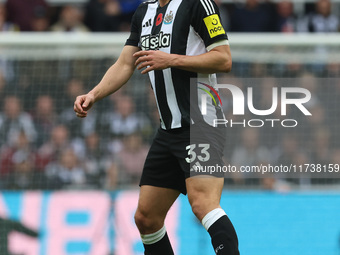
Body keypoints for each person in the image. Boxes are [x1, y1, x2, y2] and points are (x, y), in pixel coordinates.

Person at [74, 0, 239, 254]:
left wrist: (171, 59)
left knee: (202, 203)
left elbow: (223, 58)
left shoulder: (198, 4)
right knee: (146, 218)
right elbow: (125, 64)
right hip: (168, 130)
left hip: (201, 123)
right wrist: (93, 94)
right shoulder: (144, 12)